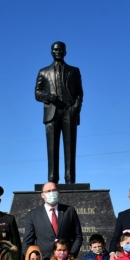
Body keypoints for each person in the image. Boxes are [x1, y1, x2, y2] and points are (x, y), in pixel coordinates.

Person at [34, 41, 84, 184]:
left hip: (69, 111)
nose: (58, 52)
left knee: (70, 148)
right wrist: (48, 97)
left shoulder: (74, 71)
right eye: (55, 50)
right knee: (52, 148)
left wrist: (76, 108)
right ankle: (52, 180)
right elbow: (37, 93)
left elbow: (80, 93)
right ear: (51, 52)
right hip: (52, 112)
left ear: (65, 52)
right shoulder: (43, 72)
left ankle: (70, 179)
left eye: (61, 50)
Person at [23, 182, 84, 260]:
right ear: (42, 195)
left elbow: (78, 236)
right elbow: (27, 241)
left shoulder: (69, 211)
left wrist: (71, 255)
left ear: (58, 192)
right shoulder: (33, 215)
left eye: (54, 190)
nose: (51, 193)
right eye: (48, 191)